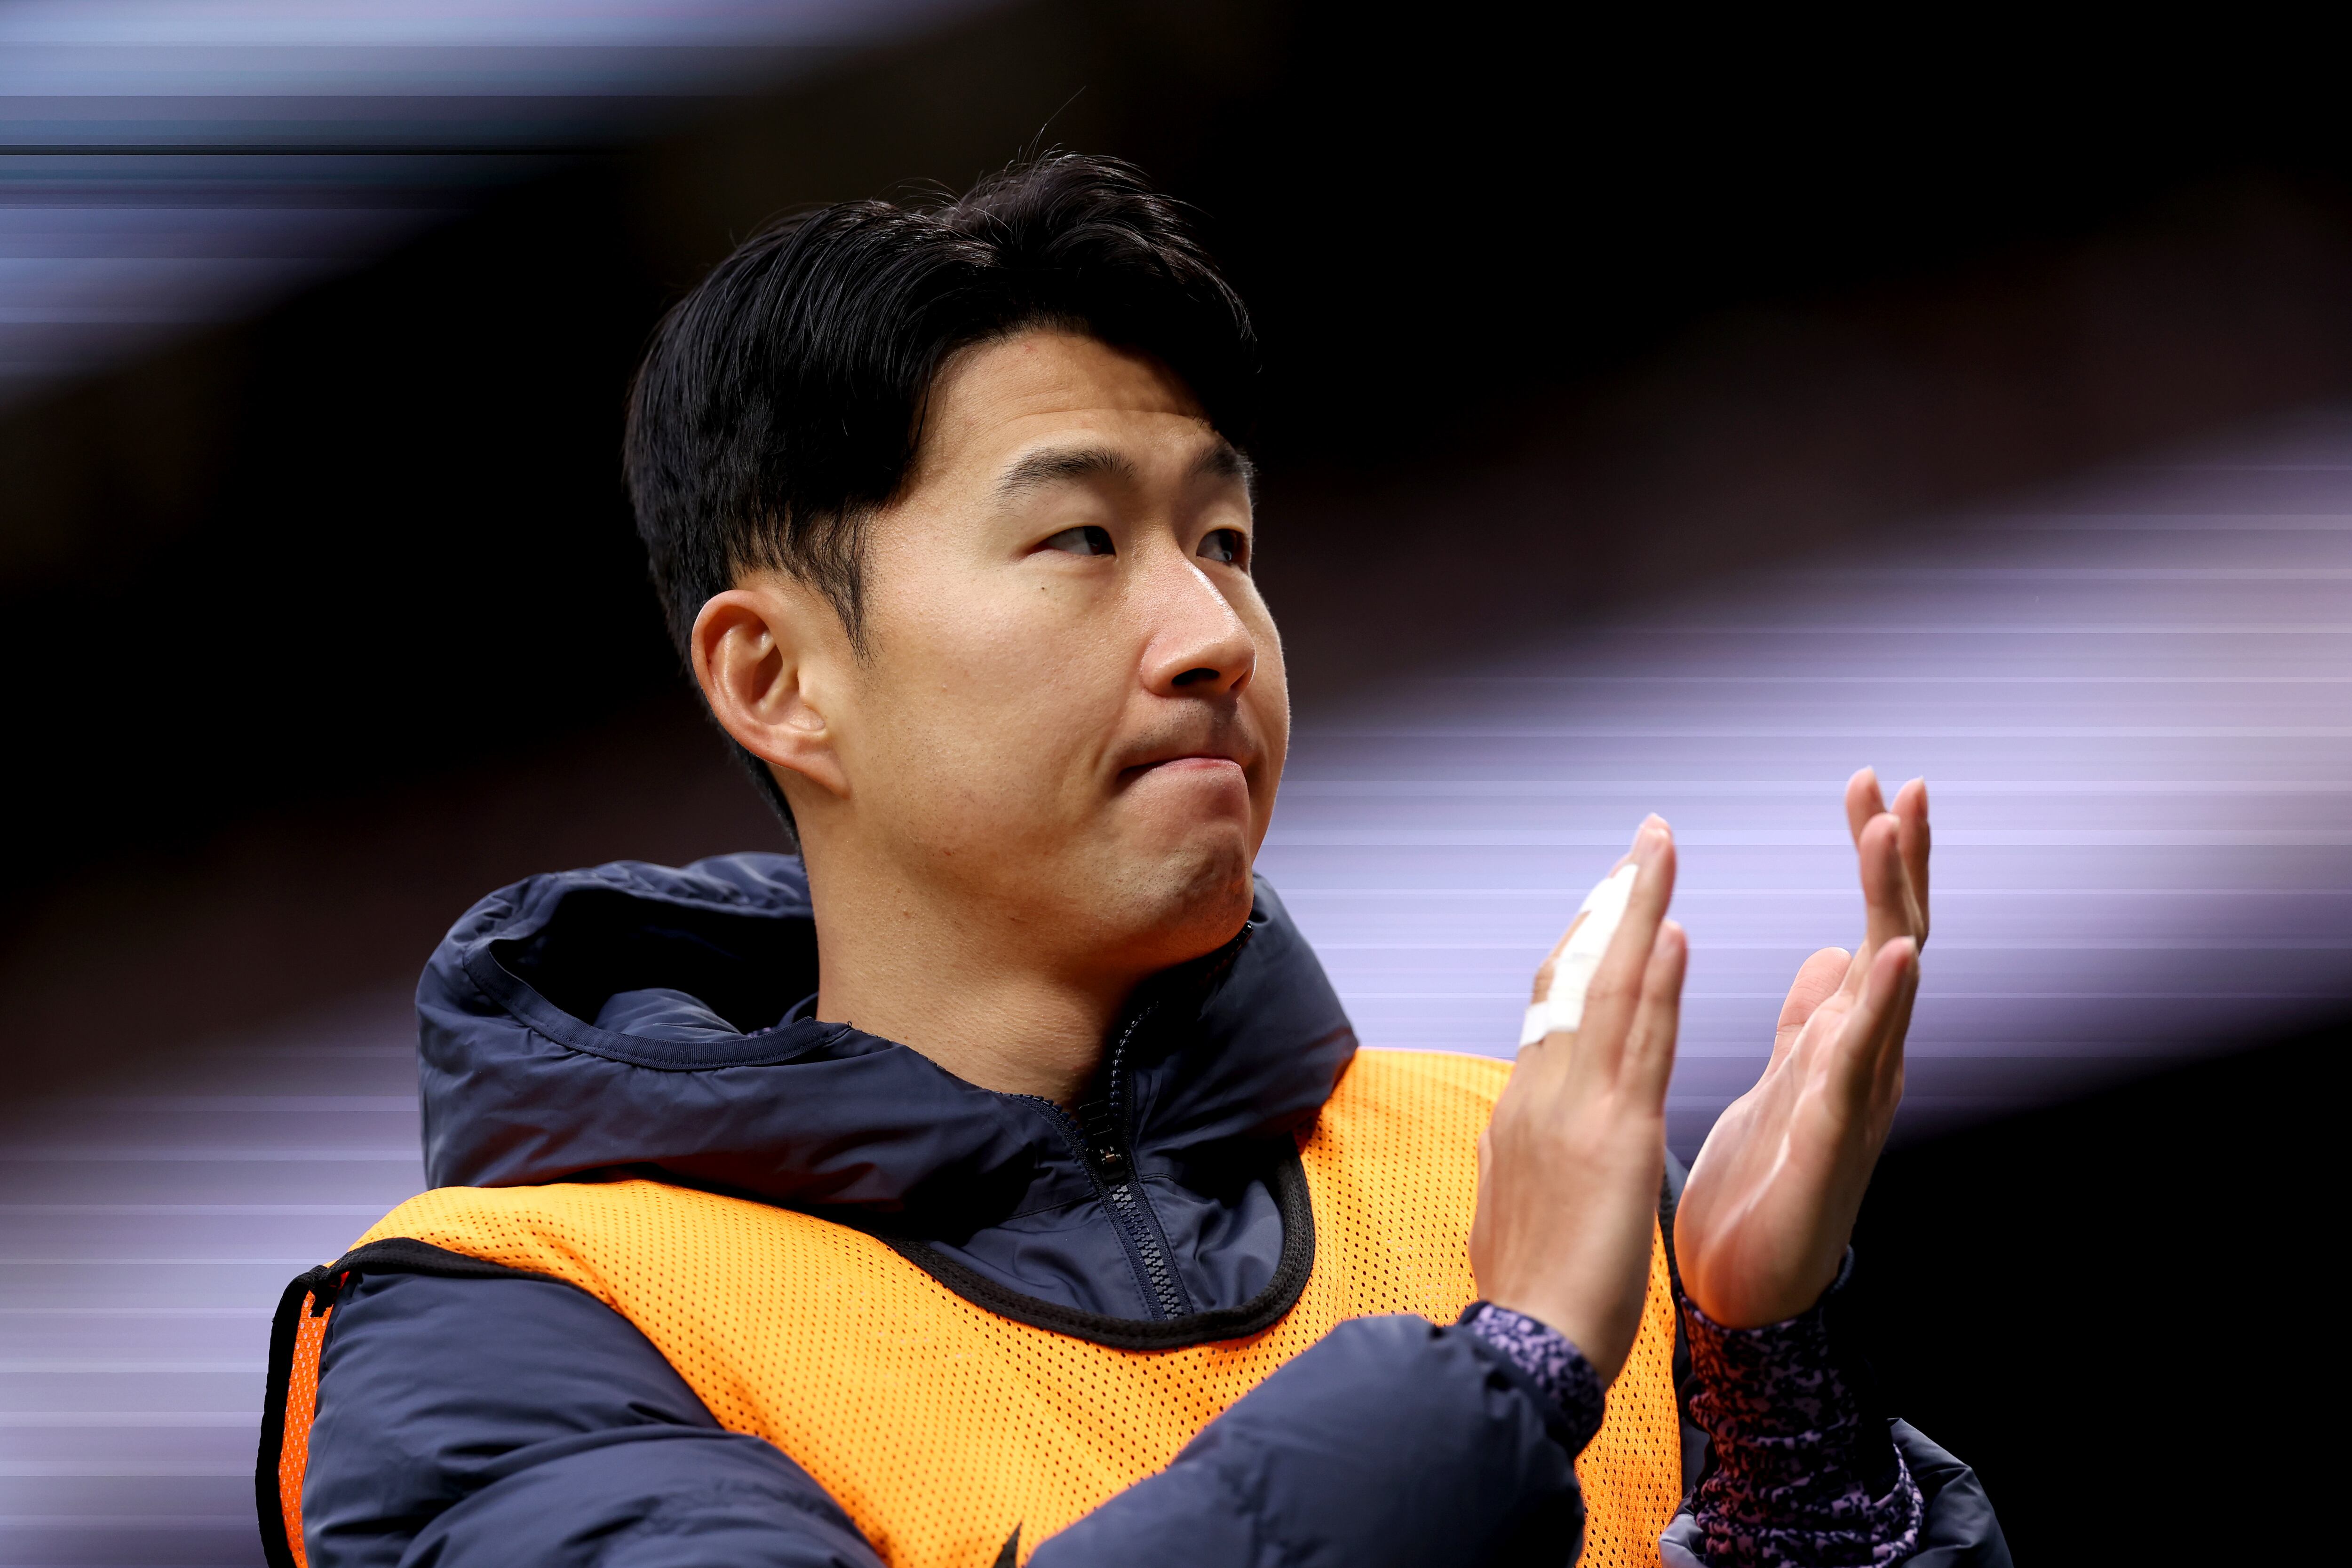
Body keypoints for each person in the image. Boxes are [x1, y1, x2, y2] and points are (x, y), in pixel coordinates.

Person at [256, 154, 2006, 1568]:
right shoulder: (506, 1330)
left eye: (1225, 539)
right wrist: (1510, 1369)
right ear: (775, 679)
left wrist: (1775, 1393)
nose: (1211, 632)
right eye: (1080, 537)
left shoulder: (1507, 1161)